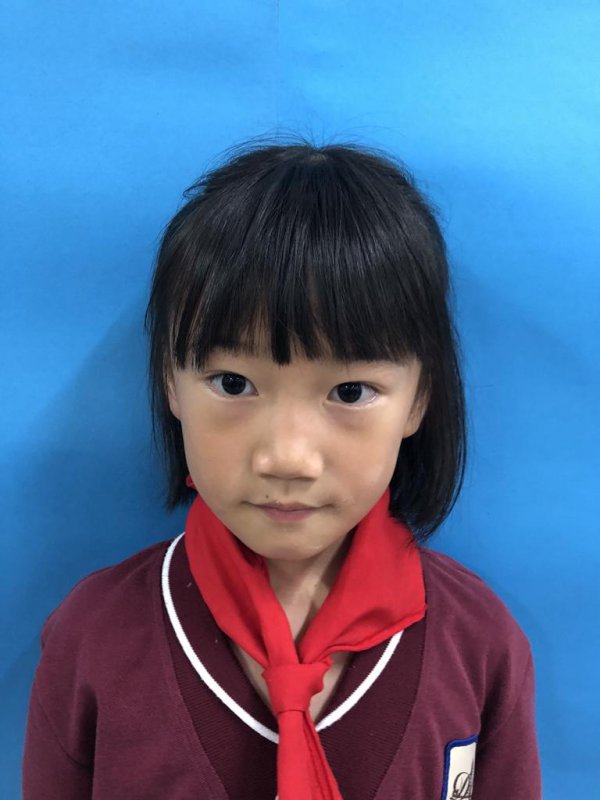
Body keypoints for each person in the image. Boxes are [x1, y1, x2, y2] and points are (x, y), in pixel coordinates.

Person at [22, 137, 542, 799]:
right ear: (171, 383)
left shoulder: (480, 645)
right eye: (233, 383)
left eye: (350, 392)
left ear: (419, 400)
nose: (287, 457)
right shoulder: (93, 637)